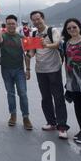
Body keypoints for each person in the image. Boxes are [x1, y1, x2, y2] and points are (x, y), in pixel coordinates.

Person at [28, 11, 69, 139]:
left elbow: (58, 44)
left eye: (38, 19)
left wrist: (46, 45)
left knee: (58, 98)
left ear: (43, 18)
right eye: (33, 20)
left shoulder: (53, 30)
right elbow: (32, 52)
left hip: (54, 69)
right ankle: (51, 122)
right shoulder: (33, 33)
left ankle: (62, 127)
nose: (36, 21)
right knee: (45, 98)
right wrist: (26, 54)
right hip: (40, 70)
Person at [0, 15, 33, 130]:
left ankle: (26, 117)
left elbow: (28, 54)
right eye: (9, 24)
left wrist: (28, 69)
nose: (11, 25)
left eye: (13, 23)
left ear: (16, 25)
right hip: (6, 69)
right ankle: (13, 115)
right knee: (10, 93)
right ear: (6, 25)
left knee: (23, 93)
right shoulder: (3, 36)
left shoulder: (21, 37)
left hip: (19, 70)